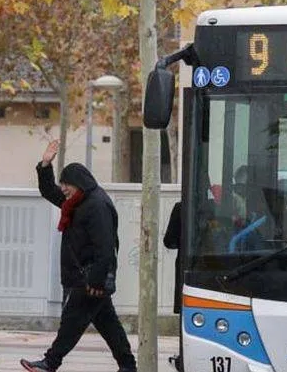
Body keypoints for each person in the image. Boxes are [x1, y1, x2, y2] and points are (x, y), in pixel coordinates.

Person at [21, 140, 137, 372]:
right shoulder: (76, 203)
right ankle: (128, 366)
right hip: (83, 275)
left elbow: (105, 247)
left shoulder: (96, 205)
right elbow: (48, 191)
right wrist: (45, 164)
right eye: (62, 184)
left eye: (66, 184)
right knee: (108, 324)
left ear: (79, 182)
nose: (63, 188)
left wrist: (95, 280)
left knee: (72, 322)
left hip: (89, 278)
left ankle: (50, 363)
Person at [163, 201, 183, 372]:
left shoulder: (181, 207)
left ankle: (184, 352)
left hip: (187, 268)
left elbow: (169, 241)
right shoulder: (222, 207)